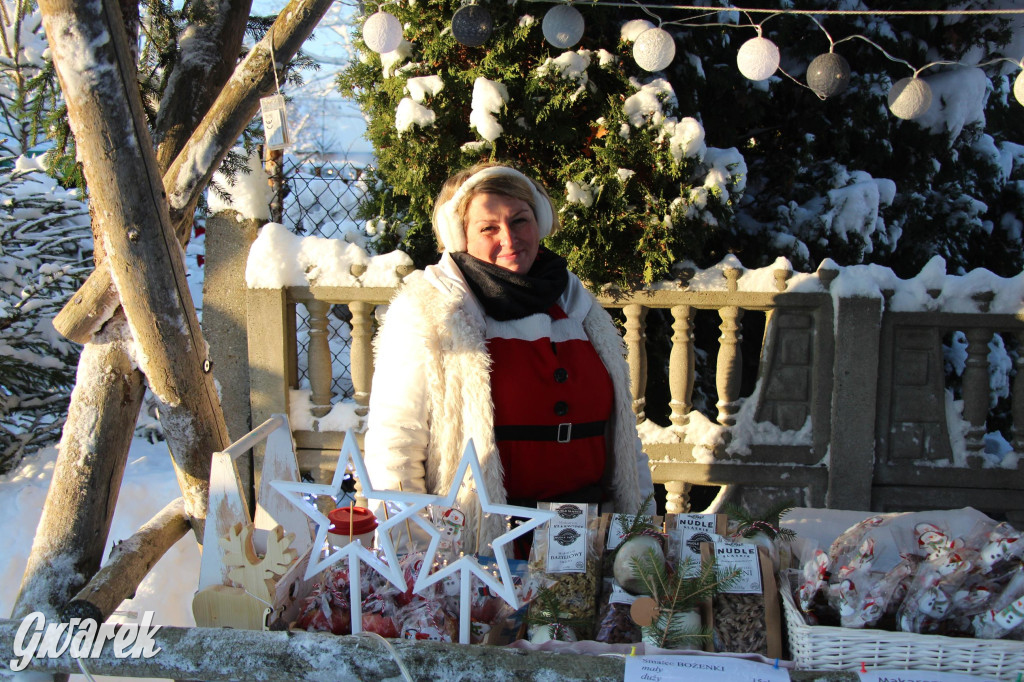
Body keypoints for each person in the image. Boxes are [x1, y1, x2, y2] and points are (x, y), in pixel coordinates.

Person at [364, 162, 654, 552]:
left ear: (541, 222)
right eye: (489, 228)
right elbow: (396, 444)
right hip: (488, 553)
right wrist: (411, 557)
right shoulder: (431, 312)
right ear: (460, 236)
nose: (510, 238)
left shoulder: (577, 304)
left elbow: (623, 437)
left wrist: (642, 526)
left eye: (520, 220)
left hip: (590, 543)